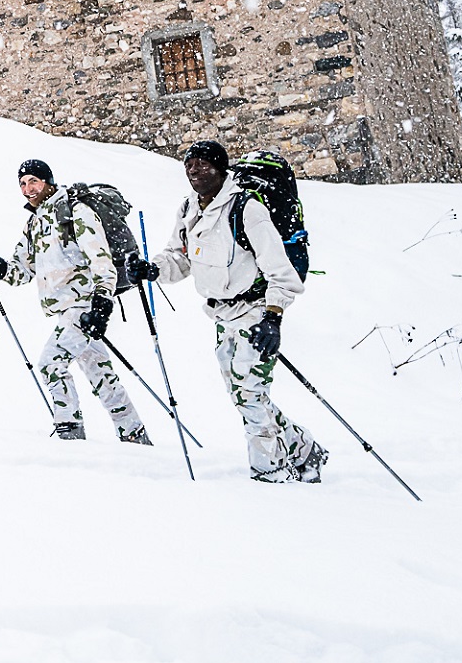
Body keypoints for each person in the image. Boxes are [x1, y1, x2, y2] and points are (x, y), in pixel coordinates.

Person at [132, 140, 327, 483]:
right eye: (189, 165)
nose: (195, 171)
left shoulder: (246, 208)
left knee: (251, 394)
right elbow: (179, 258)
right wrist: (152, 269)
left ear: (221, 169)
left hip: (256, 309)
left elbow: (280, 271)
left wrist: (273, 316)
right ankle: (303, 449)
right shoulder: (189, 208)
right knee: (242, 395)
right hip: (222, 315)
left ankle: (270, 471)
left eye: (203, 165)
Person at [0, 158, 149, 444]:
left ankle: (70, 436)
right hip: (66, 309)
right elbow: (20, 271)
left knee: (51, 364)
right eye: (22, 183)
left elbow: (102, 261)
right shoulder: (35, 223)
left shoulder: (75, 211)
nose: (28, 188)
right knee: (102, 376)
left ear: (48, 181)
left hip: (84, 305)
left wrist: (102, 305)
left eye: (33, 181)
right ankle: (135, 436)